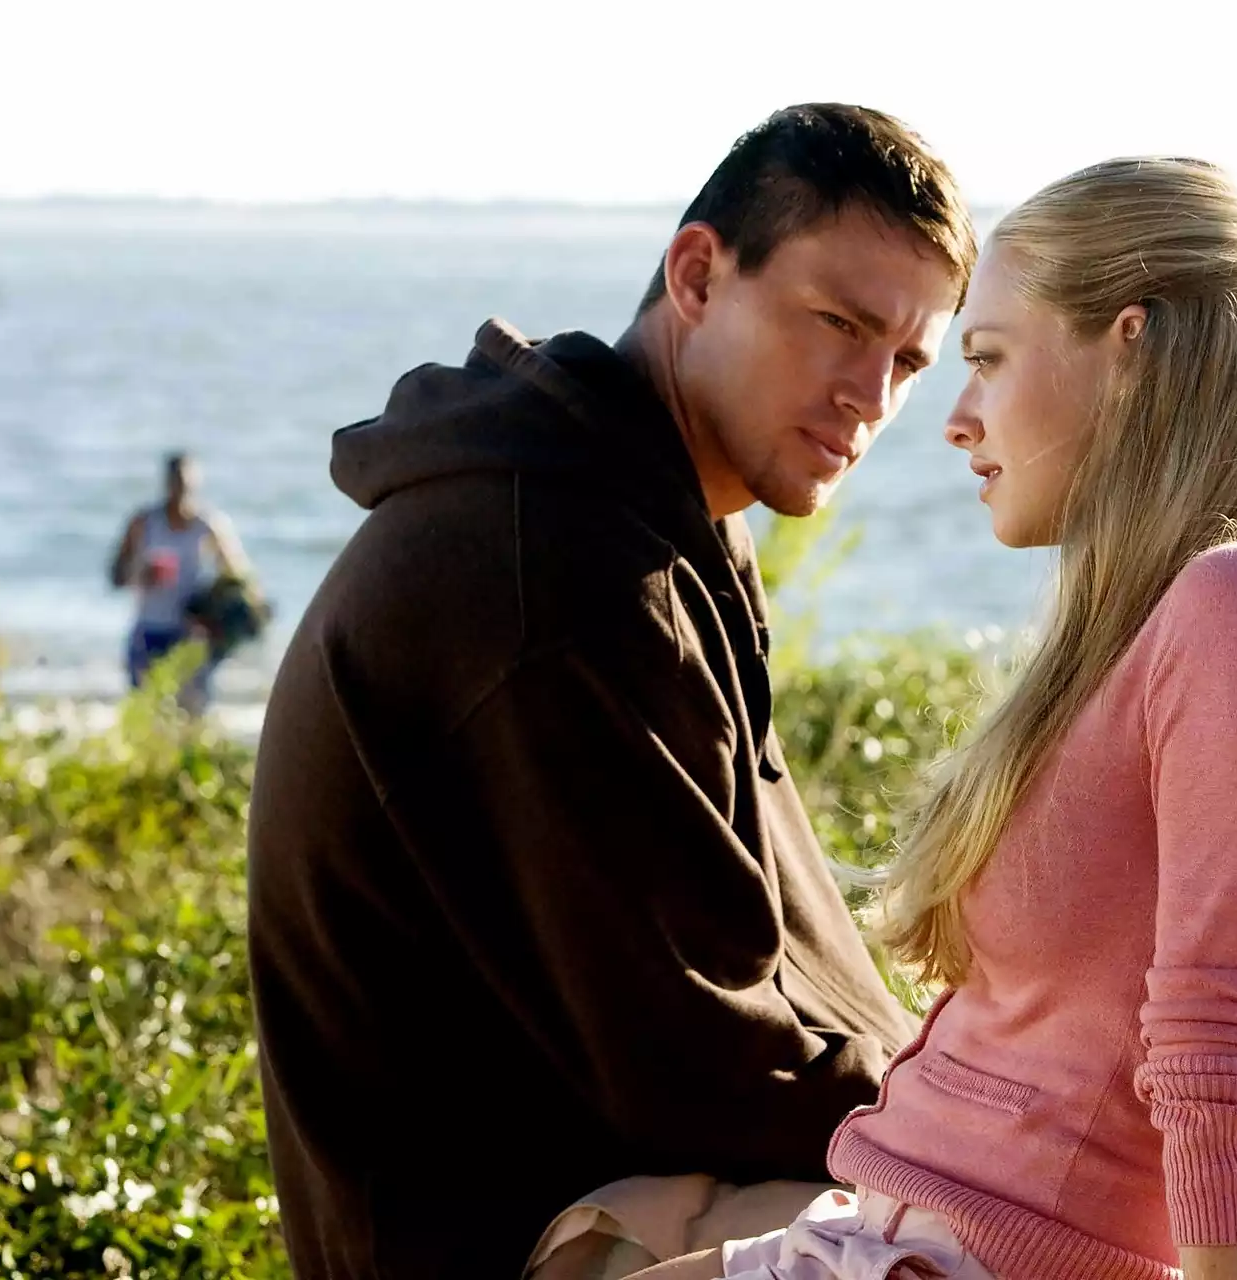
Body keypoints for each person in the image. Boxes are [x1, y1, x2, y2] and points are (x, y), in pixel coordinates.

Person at [643, 159, 1237, 1280]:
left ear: (1130, 348)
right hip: (897, 1226)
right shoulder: (1165, 620)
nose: (955, 420)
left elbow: (1232, 1044)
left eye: (988, 359)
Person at [244, 105, 975, 1280]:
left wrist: (977, 1092)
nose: (869, 393)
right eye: (839, 323)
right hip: (519, 1233)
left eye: (907, 360)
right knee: (983, 1246)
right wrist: (990, 1123)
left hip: (620, 1177)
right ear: (698, 275)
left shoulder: (658, 523)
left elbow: (777, 975)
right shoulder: (550, 568)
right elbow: (700, 1059)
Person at [107, 451, 248, 714]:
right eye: (177, 484)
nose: (182, 492)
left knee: (191, 713)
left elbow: (238, 577)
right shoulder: (144, 522)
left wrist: (213, 608)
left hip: (190, 631)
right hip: (149, 628)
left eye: (187, 485)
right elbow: (115, 575)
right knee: (144, 711)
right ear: (166, 483)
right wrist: (139, 574)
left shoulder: (209, 525)